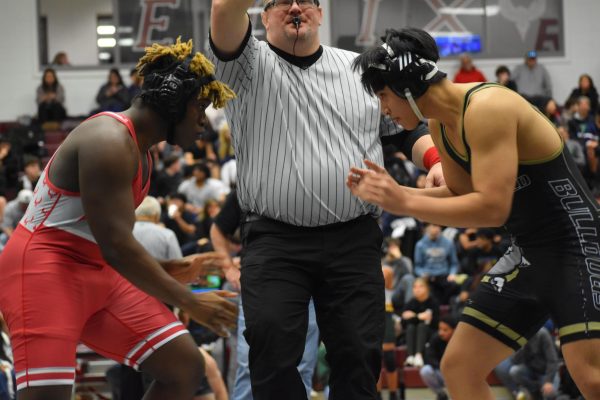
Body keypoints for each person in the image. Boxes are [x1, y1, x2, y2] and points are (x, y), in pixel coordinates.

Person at [208, 2, 444, 399]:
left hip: (352, 238)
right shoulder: (245, 64)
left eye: (306, 0)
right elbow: (223, 9)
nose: (295, 7)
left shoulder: (360, 70)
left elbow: (404, 129)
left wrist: (434, 161)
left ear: (320, 13)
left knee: (358, 355)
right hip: (275, 240)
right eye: (282, 0)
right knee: (271, 351)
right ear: (263, 17)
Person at [350, 27, 600, 399]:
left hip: (576, 247)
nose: (384, 109)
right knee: (460, 366)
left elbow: (491, 207)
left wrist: (401, 202)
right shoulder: (441, 125)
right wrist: (395, 191)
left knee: (590, 376)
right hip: (530, 252)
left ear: (406, 86)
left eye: (384, 96)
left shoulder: (487, 107)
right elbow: (462, 195)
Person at [0, 38, 238, 400]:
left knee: (184, 366)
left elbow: (101, 241)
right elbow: (116, 247)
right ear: (174, 102)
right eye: (200, 108)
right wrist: (190, 301)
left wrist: (169, 268)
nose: (203, 122)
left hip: (95, 271)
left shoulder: (142, 154)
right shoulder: (109, 140)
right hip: (42, 271)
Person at [209, 190, 319, 399]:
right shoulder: (251, 182)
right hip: (261, 282)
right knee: (252, 363)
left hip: (308, 282)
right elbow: (218, 229)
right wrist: (228, 267)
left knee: (302, 364)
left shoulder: (316, 180)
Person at [494, 326, 560, 400]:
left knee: (549, 394)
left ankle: (542, 390)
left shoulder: (542, 334)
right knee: (514, 371)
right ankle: (535, 391)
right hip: (532, 371)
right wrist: (522, 347)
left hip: (546, 372)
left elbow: (553, 361)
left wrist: (548, 381)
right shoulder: (521, 338)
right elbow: (515, 360)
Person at [419, 315, 457, 400]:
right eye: (440, 329)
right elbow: (429, 357)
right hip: (441, 372)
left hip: (458, 374)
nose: (441, 333)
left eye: (445, 330)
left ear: (454, 330)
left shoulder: (460, 341)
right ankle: (441, 394)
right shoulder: (435, 338)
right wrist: (443, 370)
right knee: (425, 370)